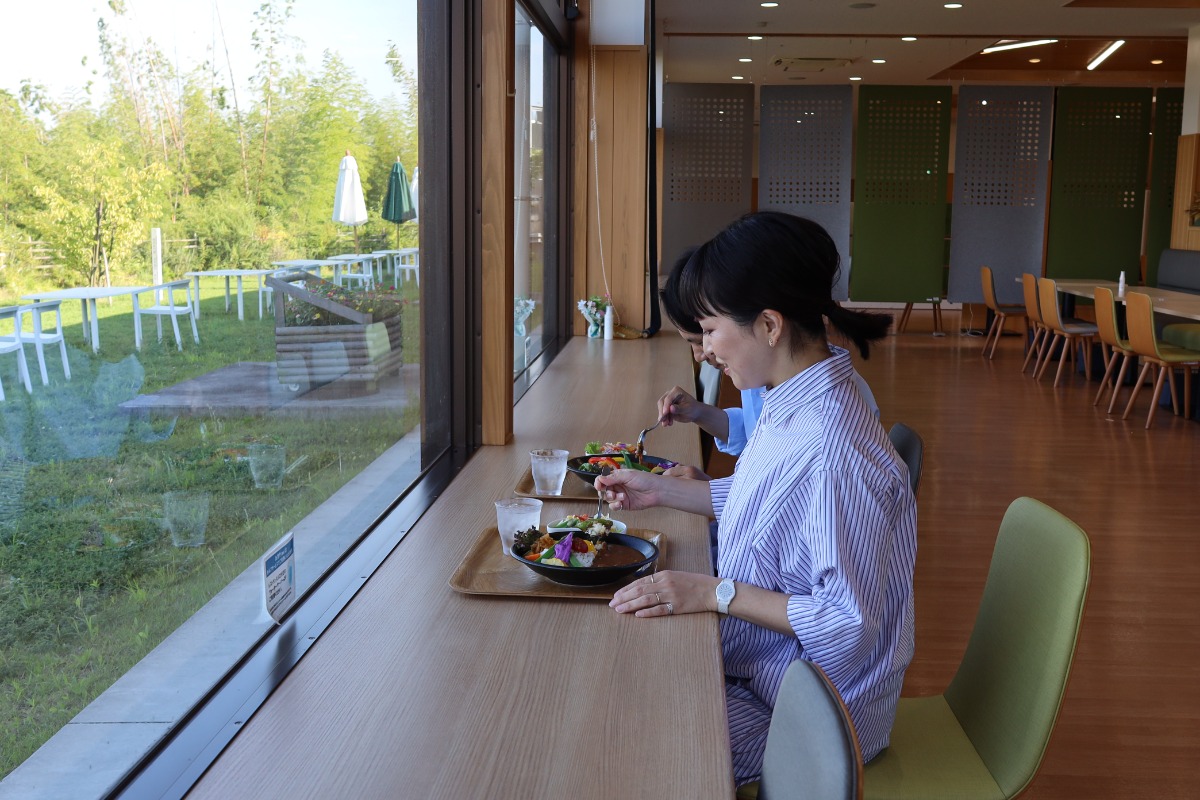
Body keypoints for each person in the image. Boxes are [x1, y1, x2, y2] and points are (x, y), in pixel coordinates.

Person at [597, 211, 917, 787]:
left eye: (712, 329)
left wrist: (714, 592)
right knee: (629, 688)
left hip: (819, 709)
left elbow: (845, 624)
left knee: (641, 743)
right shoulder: (790, 398)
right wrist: (659, 489)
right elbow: (765, 502)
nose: (709, 351)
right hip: (770, 671)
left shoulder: (834, 448)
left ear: (769, 325)